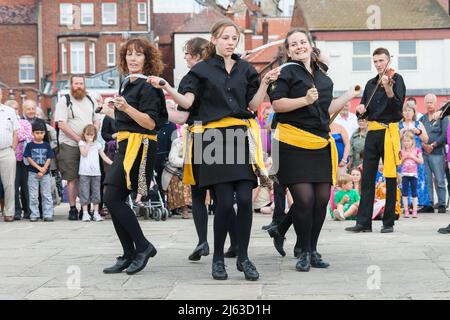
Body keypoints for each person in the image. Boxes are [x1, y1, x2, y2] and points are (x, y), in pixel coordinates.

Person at [150, 21, 280, 281]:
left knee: (245, 199)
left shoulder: (246, 69)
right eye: (226, 38)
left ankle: (243, 257)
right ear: (214, 39)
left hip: (238, 135)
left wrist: (265, 83)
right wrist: (167, 87)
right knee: (222, 203)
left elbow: (253, 105)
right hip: (212, 138)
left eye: (234, 38)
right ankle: (218, 258)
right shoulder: (201, 70)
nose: (231, 42)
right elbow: (187, 102)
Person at [267, 28, 358, 271]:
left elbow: (327, 110)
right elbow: (277, 104)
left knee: (320, 201)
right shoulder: (285, 73)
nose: (299, 46)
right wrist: (304, 100)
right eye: (293, 44)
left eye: (302, 42)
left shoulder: (324, 79)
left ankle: (312, 249)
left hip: (319, 144)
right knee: (304, 200)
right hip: (292, 143)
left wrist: (349, 95)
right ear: (288, 50)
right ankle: (303, 251)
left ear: (310, 45)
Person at [102, 37, 167, 275]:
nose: (133, 58)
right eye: (129, 53)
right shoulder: (127, 82)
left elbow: (149, 123)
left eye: (138, 54)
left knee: (112, 198)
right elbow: (127, 120)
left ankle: (142, 246)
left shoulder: (149, 85)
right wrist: (110, 110)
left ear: (147, 59)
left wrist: (126, 107)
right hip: (126, 144)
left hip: (140, 147)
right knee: (112, 198)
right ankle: (129, 253)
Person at [346, 47, 406, 234]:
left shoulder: (397, 79)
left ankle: (388, 222)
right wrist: (361, 110)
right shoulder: (370, 83)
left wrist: (388, 88)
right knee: (368, 177)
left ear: (388, 60)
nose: (379, 64)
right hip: (372, 132)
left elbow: (397, 108)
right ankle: (364, 222)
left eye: (382, 60)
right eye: (376, 61)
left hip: (389, 132)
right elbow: (364, 110)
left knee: (389, 177)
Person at [54, 76, 101, 221]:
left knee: (86, 178)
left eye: (81, 83)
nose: (79, 86)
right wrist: (79, 140)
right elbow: (61, 124)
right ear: (71, 85)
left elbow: (97, 120)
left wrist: (92, 138)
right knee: (71, 179)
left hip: (89, 145)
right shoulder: (64, 100)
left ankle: (85, 208)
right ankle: (73, 208)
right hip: (69, 144)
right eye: (76, 84)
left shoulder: (91, 99)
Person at [418, 94, 448, 213]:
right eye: (427, 102)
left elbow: (445, 134)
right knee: (427, 179)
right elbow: (418, 135)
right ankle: (429, 203)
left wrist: (433, 145)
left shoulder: (442, 118)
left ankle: (441, 204)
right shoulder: (422, 119)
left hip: (437, 153)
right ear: (425, 104)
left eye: (431, 102)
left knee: (440, 179)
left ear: (436, 103)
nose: (429, 104)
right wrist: (424, 146)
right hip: (425, 153)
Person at [4, 100, 33, 220]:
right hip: (12, 157)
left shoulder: (24, 122)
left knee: (25, 185)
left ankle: (27, 210)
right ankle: (16, 210)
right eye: (12, 109)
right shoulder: (4, 123)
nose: (14, 111)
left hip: (25, 158)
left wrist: (16, 136)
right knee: (13, 186)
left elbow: (29, 136)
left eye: (16, 108)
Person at [79, 124, 112, 222]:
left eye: (91, 135)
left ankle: (96, 213)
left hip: (96, 173)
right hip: (84, 172)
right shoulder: (81, 143)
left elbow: (104, 156)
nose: (89, 137)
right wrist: (88, 144)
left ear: (95, 135)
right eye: (87, 134)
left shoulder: (97, 144)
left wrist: (112, 163)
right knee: (85, 192)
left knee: (96, 193)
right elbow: (84, 154)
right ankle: (85, 213)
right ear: (84, 134)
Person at [398, 103, 429, 208]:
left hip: (416, 158)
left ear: (414, 112)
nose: (407, 113)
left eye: (409, 110)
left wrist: (418, 132)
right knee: (404, 179)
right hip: (403, 158)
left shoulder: (418, 123)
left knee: (418, 180)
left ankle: (419, 203)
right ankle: (405, 204)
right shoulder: (399, 124)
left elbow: (426, 139)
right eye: (405, 110)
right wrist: (400, 134)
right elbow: (394, 142)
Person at [23, 121, 54, 222]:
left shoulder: (47, 145)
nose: (39, 135)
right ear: (32, 133)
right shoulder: (29, 145)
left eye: (41, 132)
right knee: (33, 195)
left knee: (46, 194)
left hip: (45, 174)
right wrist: (39, 169)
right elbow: (29, 158)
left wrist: (44, 169)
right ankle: (34, 214)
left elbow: (49, 158)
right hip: (33, 173)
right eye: (37, 133)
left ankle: (48, 214)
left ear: (44, 133)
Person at [0, 101, 18, 222]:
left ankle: (9, 212)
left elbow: (16, 131)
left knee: (9, 184)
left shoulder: (9, 111)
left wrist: (13, 148)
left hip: (6, 151)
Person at [400, 131, 423, 218]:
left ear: (412, 141)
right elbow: (398, 164)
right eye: (405, 141)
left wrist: (413, 157)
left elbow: (421, 161)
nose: (406, 143)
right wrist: (403, 158)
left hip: (414, 175)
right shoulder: (401, 151)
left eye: (408, 141)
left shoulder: (417, 150)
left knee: (414, 193)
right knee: (405, 193)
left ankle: (414, 210)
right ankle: (406, 210)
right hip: (405, 175)